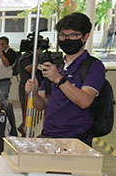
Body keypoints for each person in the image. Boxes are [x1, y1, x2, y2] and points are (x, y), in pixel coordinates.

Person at [25, 13, 105, 144]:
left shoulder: (93, 66)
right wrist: (33, 94)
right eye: (62, 35)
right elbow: (42, 105)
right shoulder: (55, 66)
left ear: (85, 37)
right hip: (49, 136)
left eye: (73, 35)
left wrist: (58, 79)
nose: (67, 40)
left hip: (77, 140)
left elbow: (85, 101)